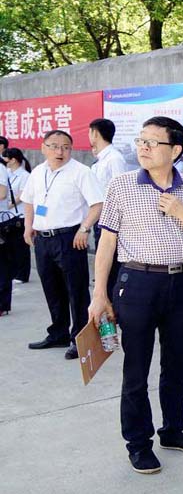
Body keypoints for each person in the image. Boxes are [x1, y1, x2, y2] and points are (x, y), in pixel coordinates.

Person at [88, 116, 183, 475]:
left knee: (176, 364)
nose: (143, 147)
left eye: (152, 142)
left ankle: (173, 431)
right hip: (137, 284)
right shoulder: (122, 185)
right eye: (141, 141)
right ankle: (138, 444)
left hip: (180, 283)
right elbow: (107, 243)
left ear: (175, 150)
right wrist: (99, 293)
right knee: (136, 369)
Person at [22, 130, 103, 359]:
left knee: (76, 290)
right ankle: (58, 333)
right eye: (55, 146)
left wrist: (84, 229)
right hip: (43, 239)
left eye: (66, 147)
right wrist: (28, 226)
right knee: (52, 288)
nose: (60, 151)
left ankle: (81, 339)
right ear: (43, 147)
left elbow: (98, 204)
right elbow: (28, 201)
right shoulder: (38, 172)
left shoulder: (81, 172)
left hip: (69, 239)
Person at [89, 118, 128, 287]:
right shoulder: (101, 159)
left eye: (90, 132)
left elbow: (121, 190)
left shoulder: (114, 158)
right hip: (99, 215)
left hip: (110, 218)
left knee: (111, 262)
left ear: (95, 133)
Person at [0, 148, 30, 315]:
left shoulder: (22, 175)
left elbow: (3, 194)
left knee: (18, 251)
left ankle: (3, 303)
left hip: (14, 217)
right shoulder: (9, 172)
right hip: (9, 216)